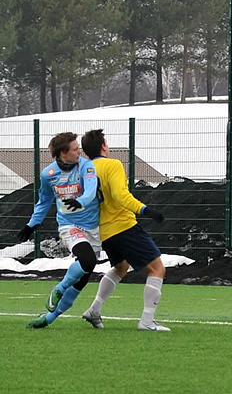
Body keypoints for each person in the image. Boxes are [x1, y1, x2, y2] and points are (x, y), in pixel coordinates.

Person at [80, 129, 170, 331]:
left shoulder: (85, 169)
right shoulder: (112, 164)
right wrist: (145, 210)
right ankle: (146, 321)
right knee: (157, 269)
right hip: (123, 226)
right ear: (103, 146)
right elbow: (121, 195)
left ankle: (94, 309)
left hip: (104, 231)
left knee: (121, 267)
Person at [19, 132, 100, 329]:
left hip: (93, 227)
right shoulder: (48, 174)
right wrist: (32, 224)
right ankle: (59, 288)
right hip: (69, 225)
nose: (79, 151)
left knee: (84, 277)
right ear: (63, 153)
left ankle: (49, 318)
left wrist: (79, 201)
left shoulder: (86, 166)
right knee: (87, 260)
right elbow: (44, 200)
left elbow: (90, 191)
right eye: (74, 149)